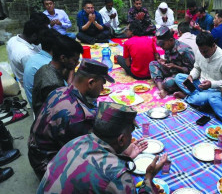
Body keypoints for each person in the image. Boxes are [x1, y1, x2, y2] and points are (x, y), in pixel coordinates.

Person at [37, 102, 166, 193]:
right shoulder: (117, 174)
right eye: (130, 134)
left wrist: (122, 157)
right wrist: (149, 178)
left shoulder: (76, 141)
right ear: (121, 139)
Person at [28, 59, 115, 180]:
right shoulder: (77, 116)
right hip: (47, 166)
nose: (102, 89)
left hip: (36, 153)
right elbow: (88, 153)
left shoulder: (59, 90)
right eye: (102, 84)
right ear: (91, 83)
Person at [174, 32, 222, 107]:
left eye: (205, 51)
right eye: (201, 51)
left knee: (199, 99)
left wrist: (211, 84)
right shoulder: (199, 52)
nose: (203, 54)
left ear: (213, 45)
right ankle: (198, 97)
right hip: (200, 84)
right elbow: (197, 68)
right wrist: (191, 76)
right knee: (178, 77)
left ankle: (188, 97)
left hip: (215, 90)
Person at [32, 35, 83, 115]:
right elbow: (68, 103)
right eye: (75, 60)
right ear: (63, 58)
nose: (77, 63)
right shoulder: (54, 84)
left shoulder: (45, 67)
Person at [149, 26, 195, 99]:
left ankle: (164, 86)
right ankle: (162, 90)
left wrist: (175, 66)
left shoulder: (184, 50)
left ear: (171, 40)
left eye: (163, 44)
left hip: (181, 76)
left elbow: (191, 71)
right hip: (171, 71)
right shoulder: (168, 47)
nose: (162, 47)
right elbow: (169, 60)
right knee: (152, 64)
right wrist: (164, 62)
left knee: (167, 83)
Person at [23, 29, 60, 106]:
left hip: (35, 102)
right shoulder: (48, 65)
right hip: (43, 110)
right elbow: (64, 93)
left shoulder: (34, 57)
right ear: (56, 46)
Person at [6, 20, 45, 86]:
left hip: (20, 76)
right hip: (30, 85)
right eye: (41, 36)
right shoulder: (27, 54)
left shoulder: (13, 39)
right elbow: (36, 77)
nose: (42, 39)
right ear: (34, 36)